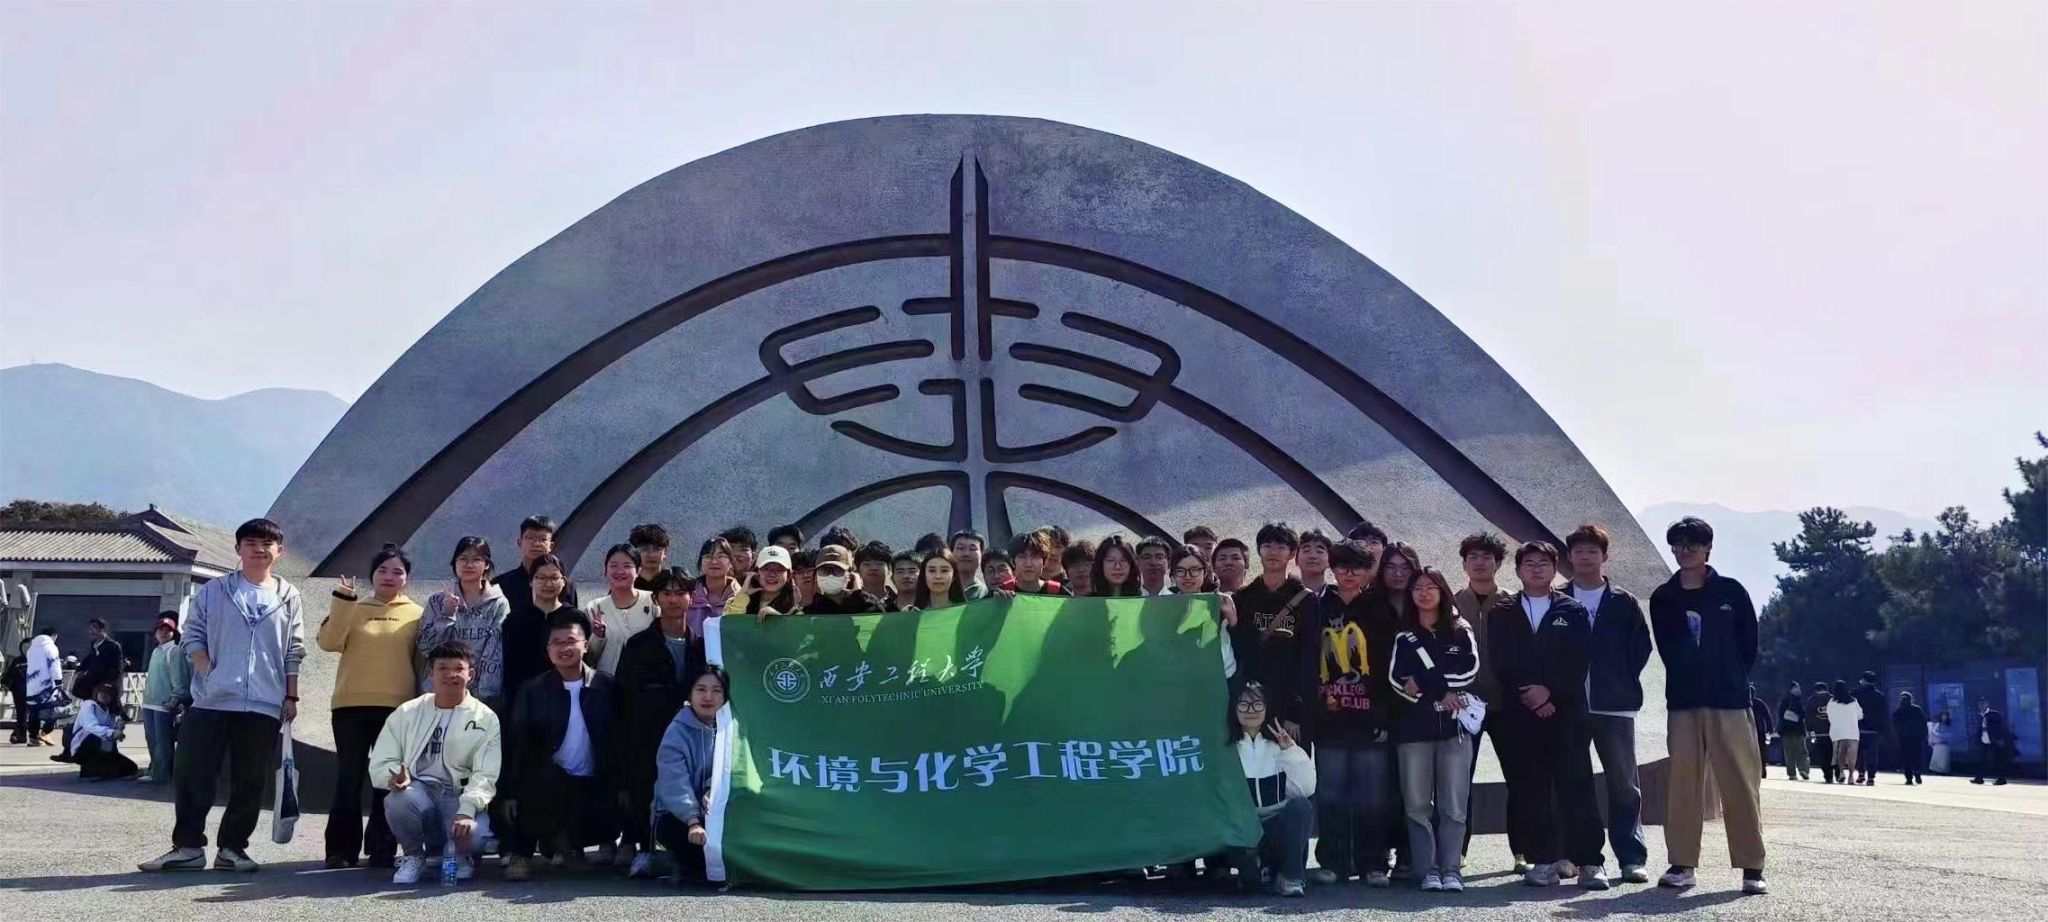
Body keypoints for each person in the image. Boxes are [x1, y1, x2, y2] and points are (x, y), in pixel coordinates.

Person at [141, 517, 306, 874]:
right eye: (251, 543)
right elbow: (193, 633)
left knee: (250, 779)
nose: (259, 550)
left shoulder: (288, 595)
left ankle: (232, 848)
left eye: (267, 544)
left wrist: (291, 697)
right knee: (193, 773)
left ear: (279, 551)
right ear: (238, 549)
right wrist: (206, 668)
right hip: (212, 699)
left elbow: (294, 649)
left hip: (264, 701)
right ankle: (188, 847)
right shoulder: (215, 590)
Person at [1649, 517, 1766, 895]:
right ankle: (1682, 864)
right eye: (1678, 545)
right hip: (1684, 702)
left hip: (1729, 700)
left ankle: (1752, 867)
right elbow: (1667, 649)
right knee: (1682, 785)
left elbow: (1749, 646)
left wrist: (1729, 676)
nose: (1685, 552)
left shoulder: (1731, 592)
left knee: (1740, 784)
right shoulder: (1663, 597)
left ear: (1708, 549)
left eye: (1693, 545)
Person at [1488, 541, 1606, 889]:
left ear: (1555, 569)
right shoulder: (1503, 611)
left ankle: (1590, 861)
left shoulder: (1572, 610)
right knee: (1531, 786)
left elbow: (1579, 660)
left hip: (1567, 712)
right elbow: (1502, 660)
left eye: (1543, 563)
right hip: (1522, 711)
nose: (1536, 568)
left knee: (1577, 784)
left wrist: (1551, 692)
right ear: (1518, 570)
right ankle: (1543, 860)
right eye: (1529, 563)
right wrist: (1532, 695)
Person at [319, 544, 423, 869]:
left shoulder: (417, 613)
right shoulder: (352, 606)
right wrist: (342, 600)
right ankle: (340, 850)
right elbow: (328, 642)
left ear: (406, 578)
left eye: (397, 571)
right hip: (350, 706)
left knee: (389, 779)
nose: (389, 576)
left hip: (397, 708)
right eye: (382, 570)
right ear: (372, 575)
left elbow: (422, 663)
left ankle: (383, 846)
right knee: (348, 777)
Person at [370, 640, 502, 886]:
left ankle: (460, 855)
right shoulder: (408, 712)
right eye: (442, 668)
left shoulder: (485, 718)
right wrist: (392, 777)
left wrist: (468, 809)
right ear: (431, 673)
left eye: (458, 669)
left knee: (476, 833)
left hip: (457, 795)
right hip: (420, 790)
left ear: (471, 674)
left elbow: (486, 772)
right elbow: (383, 758)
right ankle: (413, 856)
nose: (450, 675)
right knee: (398, 800)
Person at [1564, 523, 1653, 884]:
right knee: (1574, 781)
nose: (1585, 557)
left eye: (1592, 551)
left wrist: (1620, 678)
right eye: (1579, 551)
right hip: (1569, 706)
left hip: (1614, 705)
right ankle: (1581, 857)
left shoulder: (1623, 601)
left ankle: (1631, 858)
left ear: (1605, 556)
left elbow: (1641, 647)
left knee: (1623, 783)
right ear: (1569, 557)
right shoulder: (1559, 598)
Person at [501, 611, 618, 880]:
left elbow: (618, 740)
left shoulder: (606, 686)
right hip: (548, 782)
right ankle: (524, 852)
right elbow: (518, 744)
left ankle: (568, 845)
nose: (564, 648)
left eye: (571, 641)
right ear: (548, 650)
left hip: (594, 782)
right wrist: (511, 792)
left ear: (586, 645)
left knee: (610, 809)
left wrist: (621, 785)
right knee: (537, 785)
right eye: (557, 642)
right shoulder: (533, 690)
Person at [1307, 539, 1396, 887]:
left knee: (1372, 795)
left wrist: (1384, 715)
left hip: (1371, 716)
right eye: (1342, 566)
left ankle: (1373, 863)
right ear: (1332, 568)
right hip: (1328, 717)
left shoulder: (1380, 607)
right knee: (1331, 793)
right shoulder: (1317, 604)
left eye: (1357, 567)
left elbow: (1390, 665)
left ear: (1368, 570)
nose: (1349, 573)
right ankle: (1334, 861)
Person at [1388, 567, 1479, 893]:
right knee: (1416, 805)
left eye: (1431, 587)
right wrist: (1441, 690)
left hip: (1454, 731)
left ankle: (1451, 868)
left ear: (1442, 591)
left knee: (1453, 805)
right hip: (1414, 731)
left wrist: (1426, 682)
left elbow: (1469, 672)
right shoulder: (1404, 637)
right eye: (1418, 588)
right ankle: (1427, 870)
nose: (1424, 593)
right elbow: (1398, 682)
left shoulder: (1460, 630)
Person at [614, 568, 706, 877]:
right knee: (644, 787)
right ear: (655, 599)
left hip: (690, 735)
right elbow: (623, 697)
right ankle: (643, 848)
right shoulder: (638, 644)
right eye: (666, 593)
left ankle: (682, 853)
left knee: (687, 788)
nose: (673, 599)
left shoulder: (702, 646)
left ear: (691, 598)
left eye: (680, 592)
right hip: (647, 732)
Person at [1450, 532, 1513, 865]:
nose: (1479, 563)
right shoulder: (1451, 604)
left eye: (1486, 557)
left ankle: (1524, 851)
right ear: (1464, 564)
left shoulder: (1513, 603)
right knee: (1460, 780)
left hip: (1508, 705)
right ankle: (1457, 850)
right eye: (1472, 557)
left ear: (1498, 563)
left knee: (1519, 778)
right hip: (1464, 706)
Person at [1227, 682, 1316, 898]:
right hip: (1244, 827)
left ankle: (1290, 877)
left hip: (1276, 824)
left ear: (1267, 708)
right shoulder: (1227, 748)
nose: (1251, 711)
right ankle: (1257, 869)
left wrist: (1290, 751)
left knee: (1301, 806)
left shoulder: (1279, 744)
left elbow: (1306, 789)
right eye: (1244, 704)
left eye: (1257, 704)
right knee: (1251, 886)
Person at [1230, 524, 1314, 727]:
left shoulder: (1305, 598)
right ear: (1259, 550)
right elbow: (1238, 650)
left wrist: (1297, 710)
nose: (1273, 552)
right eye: (1267, 546)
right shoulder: (1243, 597)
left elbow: (1310, 655)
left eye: (1281, 547)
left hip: (1289, 700)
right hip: (1250, 699)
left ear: (1292, 553)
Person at [416, 537, 513, 708]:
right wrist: (446, 616)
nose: (469, 564)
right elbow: (425, 647)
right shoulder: (437, 601)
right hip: (438, 693)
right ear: (454, 564)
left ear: (486, 564)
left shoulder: (498, 604)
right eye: (463, 559)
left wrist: (484, 696)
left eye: (476, 559)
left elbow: (495, 653)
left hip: (479, 698)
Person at [653, 669, 728, 885]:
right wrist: (693, 820)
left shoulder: (730, 729)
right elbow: (674, 782)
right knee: (679, 834)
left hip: (716, 809)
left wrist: (712, 791)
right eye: (701, 689)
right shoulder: (676, 731)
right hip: (681, 816)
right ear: (690, 694)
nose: (708, 697)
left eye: (716, 691)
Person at [500, 555, 577, 712]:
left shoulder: (575, 619)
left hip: (566, 701)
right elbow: (508, 669)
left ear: (563, 581)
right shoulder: (514, 621)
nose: (548, 584)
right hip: (523, 702)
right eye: (541, 577)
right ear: (531, 581)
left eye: (554, 578)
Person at [584, 544, 656, 678]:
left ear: (638, 571)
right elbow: (588, 659)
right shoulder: (594, 607)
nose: (620, 571)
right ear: (605, 571)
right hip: (606, 682)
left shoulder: (653, 601)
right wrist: (598, 637)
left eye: (627, 566)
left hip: (645, 681)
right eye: (614, 566)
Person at [137, 616, 191, 784]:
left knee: (162, 741)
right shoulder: (156, 651)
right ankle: (155, 770)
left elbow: (180, 679)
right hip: (149, 702)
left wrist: (175, 699)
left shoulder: (174, 652)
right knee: (152, 739)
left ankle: (162, 775)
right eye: (161, 630)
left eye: (168, 630)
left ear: (174, 633)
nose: (164, 633)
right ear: (155, 633)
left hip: (164, 704)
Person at [495, 515, 579, 611]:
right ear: (519, 542)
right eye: (530, 538)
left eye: (543, 539)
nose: (536, 544)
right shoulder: (501, 584)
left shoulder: (566, 586)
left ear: (551, 546)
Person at [71, 682, 140, 780]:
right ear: (96, 692)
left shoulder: (110, 711)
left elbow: (110, 738)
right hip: (82, 747)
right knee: (94, 738)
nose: (104, 695)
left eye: (108, 693)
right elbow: (90, 727)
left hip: (103, 747)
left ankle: (99, 770)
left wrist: (118, 729)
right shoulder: (89, 705)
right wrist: (112, 733)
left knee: (131, 767)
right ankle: (88, 770)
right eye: (102, 692)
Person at [687, 538, 742, 636]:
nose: (714, 561)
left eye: (721, 556)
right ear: (701, 562)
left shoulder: (741, 597)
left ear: (731, 563)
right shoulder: (687, 593)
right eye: (708, 556)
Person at [806, 545, 881, 615]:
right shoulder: (810, 611)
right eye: (825, 570)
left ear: (850, 575)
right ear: (816, 575)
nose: (831, 574)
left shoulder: (868, 602)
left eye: (838, 569)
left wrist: (858, 596)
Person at [726, 546, 798, 618]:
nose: (772, 574)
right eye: (766, 569)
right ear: (756, 573)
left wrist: (778, 618)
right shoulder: (734, 600)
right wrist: (743, 595)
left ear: (789, 575)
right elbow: (728, 622)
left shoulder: (797, 605)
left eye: (779, 570)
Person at [24, 627, 63, 746]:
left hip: (31, 686)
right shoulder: (51, 647)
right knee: (55, 709)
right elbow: (54, 665)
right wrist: (59, 682)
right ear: (54, 636)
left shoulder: (31, 648)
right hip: (46, 687)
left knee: (34, 712)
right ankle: (45, 733)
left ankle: (33, 738)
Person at [74, 618, 125, 706]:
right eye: (90, 628)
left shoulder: (113, 646)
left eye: (94, 628)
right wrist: (80, 670)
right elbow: (90, 658)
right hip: (93, 682)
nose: (91, 631)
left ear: (102, 630)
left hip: (106, 684)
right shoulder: (94, 644)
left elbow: (117, 669)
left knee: (110, 707)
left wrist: (109, 683)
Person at [1851, 672, 1889, 786]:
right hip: (1873, 729)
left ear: (1863, 680)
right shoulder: (1879, 696)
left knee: (1858, 752)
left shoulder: (1855, 694)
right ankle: (1871, 777)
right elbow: (1884, 714)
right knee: (1872, 754)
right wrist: (1883, 730)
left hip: (1857, 728)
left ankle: (1861, 773)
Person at [1003, 531, 1069, 596]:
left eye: (1035, 557)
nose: (1028, 564)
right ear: (1012, 561)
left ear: (1045, 560)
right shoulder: (1002, 593)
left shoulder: (1060, 593)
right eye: (1022, 557)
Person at [1824, 682, 1862, 779]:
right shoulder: (1854, 701)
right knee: (1852, 756)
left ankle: (1841, 772)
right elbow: (1860, 715)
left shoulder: (1831, 702)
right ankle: (1851, 776)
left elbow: (1829, 716)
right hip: (1852, 732)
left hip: (1838, 732)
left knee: (1841, 754)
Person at [1971, 699, 2010, 785]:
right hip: (1984, 740)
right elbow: (1979, 729)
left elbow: (2001, 727)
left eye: (1983, 704)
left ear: (1987, 704)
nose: (1981, 706)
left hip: (1994, 740)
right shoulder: (1980, 715)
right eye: (1979, 704)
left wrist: (2000, 738)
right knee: (1982, 760)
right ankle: (1979, 778)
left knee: (1997, 759)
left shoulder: (1994, 714)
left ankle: (2001, 779)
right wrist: (1977, 740)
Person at [1777, 682, 1810, 781]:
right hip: (1798, 730)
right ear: (1792, 689)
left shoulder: (1783, 700)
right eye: (1797, 688)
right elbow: (1802, 714)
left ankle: (1792, 774)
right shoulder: (1797, 700)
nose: (1799, 690)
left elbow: (1780, 715)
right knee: (1802, 751)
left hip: (1785, 731)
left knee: (1789, 753)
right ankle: (1803, 769)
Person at [1893, 692, 1928, 785]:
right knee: (1917, 756)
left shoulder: (1898, 711)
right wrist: (1924, 735)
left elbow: (1895, 726)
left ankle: (1909, 778)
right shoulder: (1917, 709)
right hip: (1916, 738)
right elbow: (1923, 723)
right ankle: (1917, 774)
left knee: (1906, 758)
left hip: (1904, 739)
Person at [1807, 679, 1837, 783]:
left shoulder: (1812, 700)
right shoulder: (1833, 699)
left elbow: (1809, 717)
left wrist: (1809, 730)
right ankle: (1838, 772)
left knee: (1823, 756)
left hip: (1819, 733)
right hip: (1834, 732)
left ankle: (1828, 776)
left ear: (1815, 690)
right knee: (1834, 753)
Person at [629, 523, 672, 592]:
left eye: (657, 549)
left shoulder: (675, 582)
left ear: (665, 552)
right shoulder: (627, 583)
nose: (651, 555)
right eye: (644, 549)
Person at [951, 531, 990, 600]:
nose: (966, 554)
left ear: (982, 554)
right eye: (960, 548)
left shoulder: (987, 593)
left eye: (972, 549)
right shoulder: (939, 588)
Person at [854, 541, 895, 606]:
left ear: (889, 569)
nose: (874, 568)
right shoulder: (848, 602)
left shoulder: (899, 602)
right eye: (867, 564)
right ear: (858, 569)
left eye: (880, 564)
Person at [5, 639, 28, 745]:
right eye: (24, 647)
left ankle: (20, 734)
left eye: (28, 647)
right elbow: (9, 674)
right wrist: (6, 683)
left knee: (27, 714)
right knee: (21, 714)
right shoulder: (17, 661)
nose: (26, 649)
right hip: (19, 691)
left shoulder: (36, 660)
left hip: (33, 691)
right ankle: (20, 735)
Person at [1748, 684, 1774, 779]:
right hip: (1760, 730)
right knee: (1761, 752)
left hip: (1750, 731)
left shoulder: (1745, 703)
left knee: (1751, 752)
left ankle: (1754, 771)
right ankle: (1762, 771)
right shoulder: (1760, 703)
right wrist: (1769, 728)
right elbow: (1767, 716)